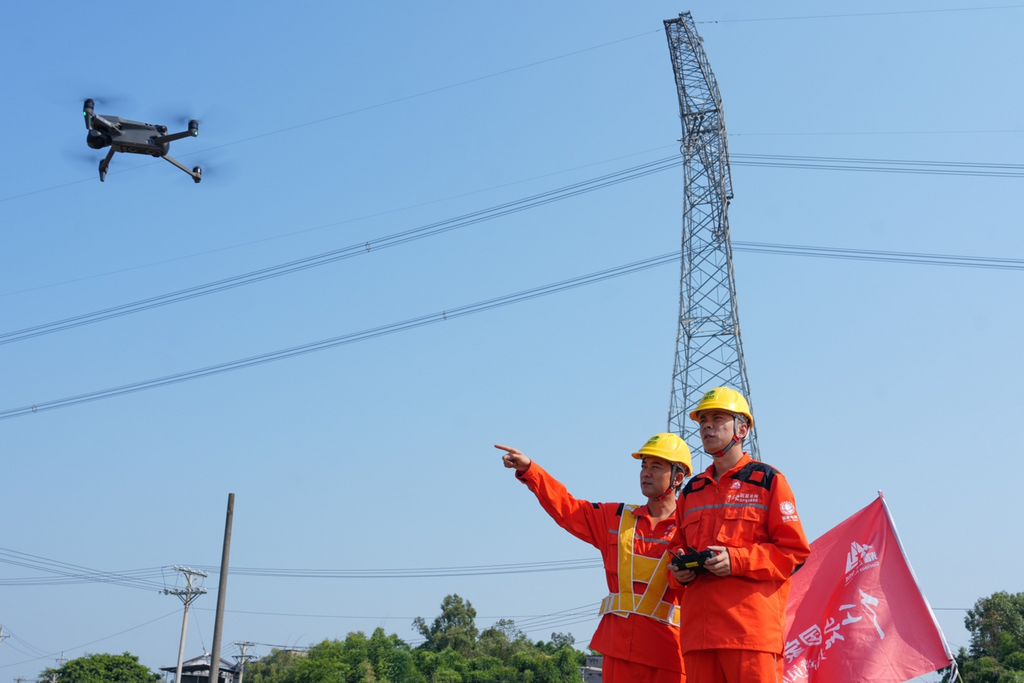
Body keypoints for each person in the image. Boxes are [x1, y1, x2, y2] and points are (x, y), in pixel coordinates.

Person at [495, 435, 691, 683]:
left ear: (678, 477)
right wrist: (529, 470)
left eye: (656, 467)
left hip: (669, 654)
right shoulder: (616, 518)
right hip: (618, 650)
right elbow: (568, 508)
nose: (646, 473)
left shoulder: (691, 526)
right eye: (643, 466)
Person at [667, 387, 810, 683]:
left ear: (741, 428)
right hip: (698, 638)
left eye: (718, 418)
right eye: (703, 420)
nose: (707, 425)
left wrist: (737, 560)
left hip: (749, 635)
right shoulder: (691, 491)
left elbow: (794, 553)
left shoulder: (768, 481)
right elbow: (673, 555)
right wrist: (678, 572)